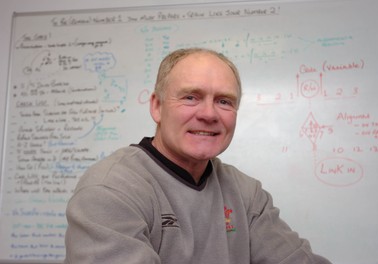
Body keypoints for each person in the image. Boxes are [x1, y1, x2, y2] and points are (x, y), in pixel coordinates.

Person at [64, 48, 331, 263]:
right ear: (157, 107)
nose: (209, 114)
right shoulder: (109, 190)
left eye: (224, 101)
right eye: (191, 97)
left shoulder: (245, 193)